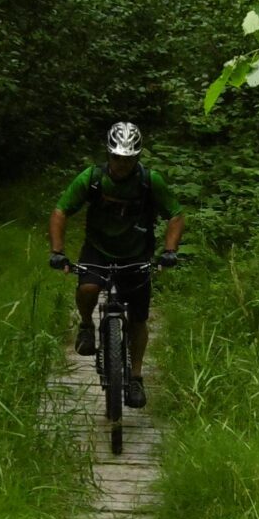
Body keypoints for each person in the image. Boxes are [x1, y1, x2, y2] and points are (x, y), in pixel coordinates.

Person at [49, 123, 183, 407]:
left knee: (137, 318)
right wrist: (57, 251)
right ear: (109, 155)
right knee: (87, 288)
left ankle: (135, 378)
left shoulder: (150, 181)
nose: (122, 164)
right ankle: (86, 325)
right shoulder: (93, 178)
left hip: (135, 254)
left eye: (129, 158)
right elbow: (61, 210)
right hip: (97, 249)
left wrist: (170, 250)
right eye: (117, 158)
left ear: (137, 157)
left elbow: (176, 214)